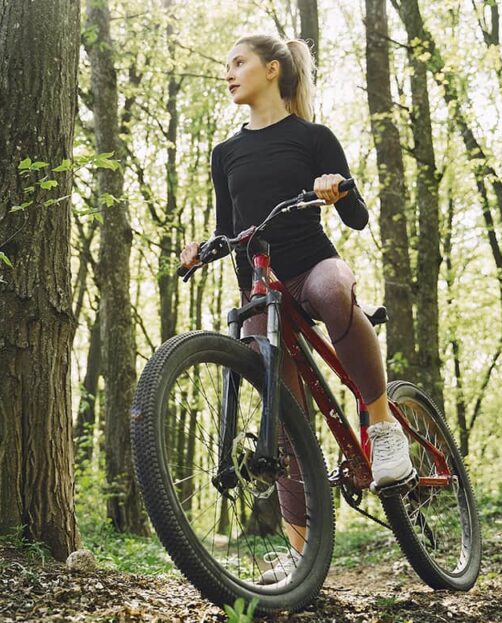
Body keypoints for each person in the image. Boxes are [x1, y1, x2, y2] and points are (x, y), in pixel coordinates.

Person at [179, 34, 415, 584]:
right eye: (227, 64)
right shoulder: (225, 153)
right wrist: (202, 247)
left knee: (336, 292)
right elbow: (226, 227)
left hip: (312, 262)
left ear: (273, 69)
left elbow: (356, 218)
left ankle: (381, 427)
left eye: (238, 62)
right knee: (283, 422)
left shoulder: (313, 137)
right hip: (259, 287)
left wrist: (337, 190)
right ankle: (301, 555)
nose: (229, 73)